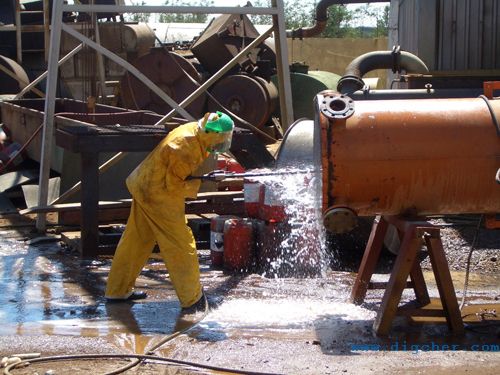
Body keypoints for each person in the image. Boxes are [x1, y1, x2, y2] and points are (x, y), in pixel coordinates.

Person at [105, 111, 234, 313]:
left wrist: (204, 178)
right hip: (157, 193)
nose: (223, 142)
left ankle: (117, 291)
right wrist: (202, 182)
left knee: (136, 240)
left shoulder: (196, 132)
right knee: (180, 243)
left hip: (145, 185)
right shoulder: (186, 146)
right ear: (211, 133)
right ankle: (192, 299)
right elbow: (174, 186)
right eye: (222, 138)